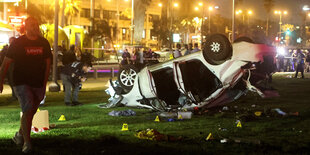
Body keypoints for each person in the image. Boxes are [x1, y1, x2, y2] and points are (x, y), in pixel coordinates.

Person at [0, 17, 52, 153]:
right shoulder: (18, 43)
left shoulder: (44, 43)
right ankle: (27, 144)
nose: (36, 27)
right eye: (32, 25)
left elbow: (47, 65)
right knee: (28, 108)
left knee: (31, 111)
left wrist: (44, 83)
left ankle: (19, 135)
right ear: (26, 27)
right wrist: (0, 81)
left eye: (37, 24)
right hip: (21, 81)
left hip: (38, 82)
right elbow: (5, 63)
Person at [0, 37, 17, 101]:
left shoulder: (15, 49)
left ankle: (15, 95)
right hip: (10, 67)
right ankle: (14, 95)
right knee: (11, 81)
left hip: (13, 67)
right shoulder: (10, 48)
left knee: (13, 81)